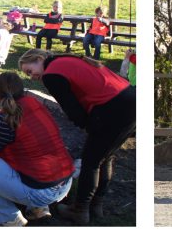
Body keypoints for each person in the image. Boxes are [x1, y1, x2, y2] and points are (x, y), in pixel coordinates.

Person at [18, 49, 136, 225]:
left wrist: (89, 126)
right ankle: (96, 205)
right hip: (131, 100)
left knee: (91, 162)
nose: (31, 76)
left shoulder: (51, 74)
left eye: (30, 71)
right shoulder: (66, 60)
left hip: (113, 108)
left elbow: (73, 110)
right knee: (106, 157)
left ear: (40, 59)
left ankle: (80, 209)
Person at [0, 71, 75, 227]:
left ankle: (8, 218)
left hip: (42, 191)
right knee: (32, 154)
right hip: (65, 181)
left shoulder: (6, 118)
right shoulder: (35, 103)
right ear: (22, 88)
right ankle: (38, 209)